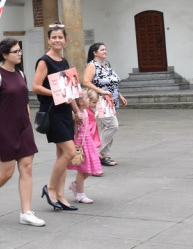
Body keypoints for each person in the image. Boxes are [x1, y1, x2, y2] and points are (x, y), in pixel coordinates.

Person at [0, 38, 44, 226]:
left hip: (23, 127)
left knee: (27, 168)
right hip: (4, 129)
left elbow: (24, 101)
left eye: (20, 50)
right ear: (5, 55)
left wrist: (28, 122)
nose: (20, 53)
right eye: (16, 51)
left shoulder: (21, 73)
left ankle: (26, 212)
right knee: (6, 173)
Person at [34, 23, 80, 211]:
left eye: (60, 37)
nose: (57, 40)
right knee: (70, 152)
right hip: (52, 111)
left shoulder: (64, 62)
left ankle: (61, 195)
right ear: (48, 40)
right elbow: (36, 86)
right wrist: (56, 92)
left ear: (65, 40)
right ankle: (50, 187)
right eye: (54, 37)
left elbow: (70, 91)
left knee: (62, 154)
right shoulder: (44, 61)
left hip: (65, 111)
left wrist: (77, 111)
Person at [82, 42, 127, 166]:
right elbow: (86, 82)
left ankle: (104, 155)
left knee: (107, 127)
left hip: (111, 100)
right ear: (94, 53)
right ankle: (94, 152)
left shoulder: (106, 65)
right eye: (102, 50)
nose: (105, 51)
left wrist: (120, 95)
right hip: (100, 99)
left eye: (105, 49)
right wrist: (101, 91)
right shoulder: (92, 65)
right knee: (112, 125)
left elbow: (112, 83)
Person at [68, 89, 103, 203]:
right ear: (81, 102)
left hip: (88, 142)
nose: (89, 100)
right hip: (81, 143)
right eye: (87, 98)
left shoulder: (87, 112)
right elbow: (75, 128)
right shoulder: (76, 114)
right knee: (82, 169)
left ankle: (75, 185)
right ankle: (80, 194)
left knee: (89, 169)